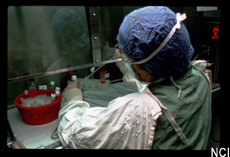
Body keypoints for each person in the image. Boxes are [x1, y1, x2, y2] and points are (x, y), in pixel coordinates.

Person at [57, 6, 211, 149]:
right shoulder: (200, 76)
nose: (120, 55)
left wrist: (73, 101)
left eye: (125, 54)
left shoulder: (138, 109)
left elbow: (74, 135)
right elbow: (160, 88)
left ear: (143, 67)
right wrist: (130, 70)